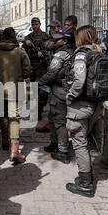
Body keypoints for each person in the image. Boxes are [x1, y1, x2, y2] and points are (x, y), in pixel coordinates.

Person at [64, 25, 108, 198]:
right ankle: (86, 175)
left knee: (79, 143)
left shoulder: (81, 54)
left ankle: (85, 184)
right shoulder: (102, 53)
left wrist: (70, 95)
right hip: (97, 106)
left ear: (80, 38)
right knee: (87, 142)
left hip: (80, 106)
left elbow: (79, 80)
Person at [39, 30, 76, 164]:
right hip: (64, 90)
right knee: (52, 119)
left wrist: (39, 82)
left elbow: (52, 72)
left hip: (59, 91)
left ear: (65, 41)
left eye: (58, 39)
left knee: (59, 122)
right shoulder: (74, 52)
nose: (55, 41)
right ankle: (54, 144)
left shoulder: (61, 54)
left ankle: (63, 151)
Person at [0, 27, 32, 163]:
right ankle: (14, 151)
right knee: (14, 118)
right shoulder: (20, 52)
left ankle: (5, 143)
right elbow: (28, 70)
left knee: (3, 116)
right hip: (16, 89)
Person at [22, 17, 52, 132]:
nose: (34, 26)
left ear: (40, 24)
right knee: (31, 90)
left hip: (42, 66)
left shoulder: (45, 36)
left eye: (36, 24)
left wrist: (42, 53)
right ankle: (34, 111)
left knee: (43, 90)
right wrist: (27, 44)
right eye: (33, 24)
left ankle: (39, 110)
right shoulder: (28, 37)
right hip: (31, 67)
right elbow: (23, 51)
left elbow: (50, 49)